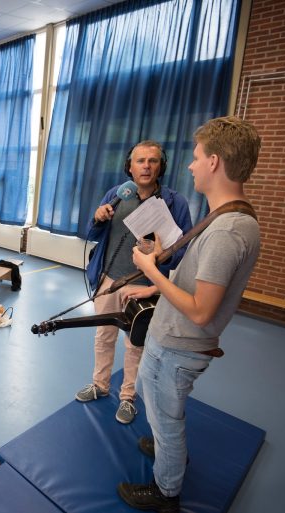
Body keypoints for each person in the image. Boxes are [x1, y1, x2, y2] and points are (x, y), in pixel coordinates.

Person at [117, 117, 262, 512]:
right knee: (154, 398)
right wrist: (153, 285)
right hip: (169, 340)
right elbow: (193, 281)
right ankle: (168, 447)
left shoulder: (227, 231)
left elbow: (201, 311)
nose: (190, 165)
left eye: (196, 157)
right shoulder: (224, 217)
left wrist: (149, 270)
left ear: (214, 162)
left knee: (167, 418)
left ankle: (166, 491)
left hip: (181, 345)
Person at [76, 141, 192, 425]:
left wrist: (159, 254)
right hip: (108, 280)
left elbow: (183, 252)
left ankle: (127, 397)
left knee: (135, 344)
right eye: (140, 160)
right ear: (129, 166)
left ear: (161, 166)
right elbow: (91, 233)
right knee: (103, 337)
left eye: (153, 161)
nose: (146, 166)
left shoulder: (175, 203)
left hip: (144, 287)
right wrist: (97, 217)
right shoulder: (117, 194)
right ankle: (100, 385)